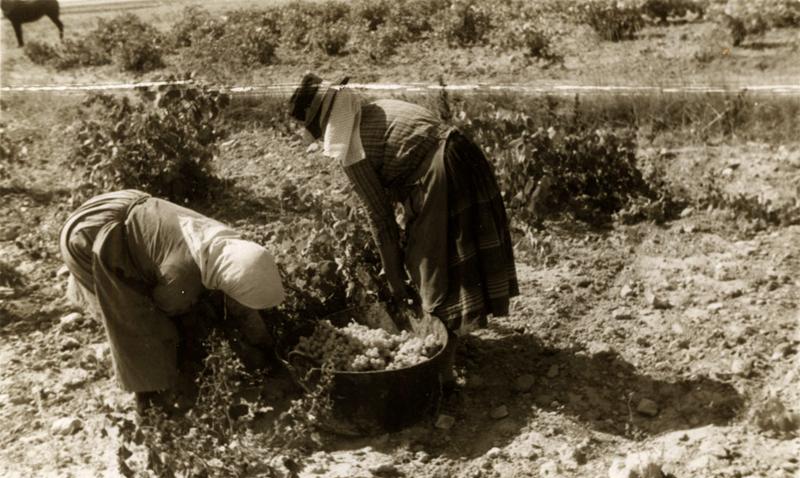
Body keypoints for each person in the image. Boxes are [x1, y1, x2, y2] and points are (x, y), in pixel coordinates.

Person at [288, 74, 519, 387]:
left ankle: (440, 373)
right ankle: (451, 335)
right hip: (463, 154)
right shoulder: (378, 109)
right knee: (453, 248)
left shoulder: (352, 147)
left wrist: (394, 278)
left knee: (429, 262)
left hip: (440, 173)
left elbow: (380, 217)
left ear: (324, 124)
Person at [59, 189, 285, 413]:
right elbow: (166, 309)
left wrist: (267, 350)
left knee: (203, 299)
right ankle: (152, 405)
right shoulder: (182, 274)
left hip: (117, 202)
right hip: (91, 236)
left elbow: (241, 305)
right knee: (139, 321)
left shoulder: (227, 245)